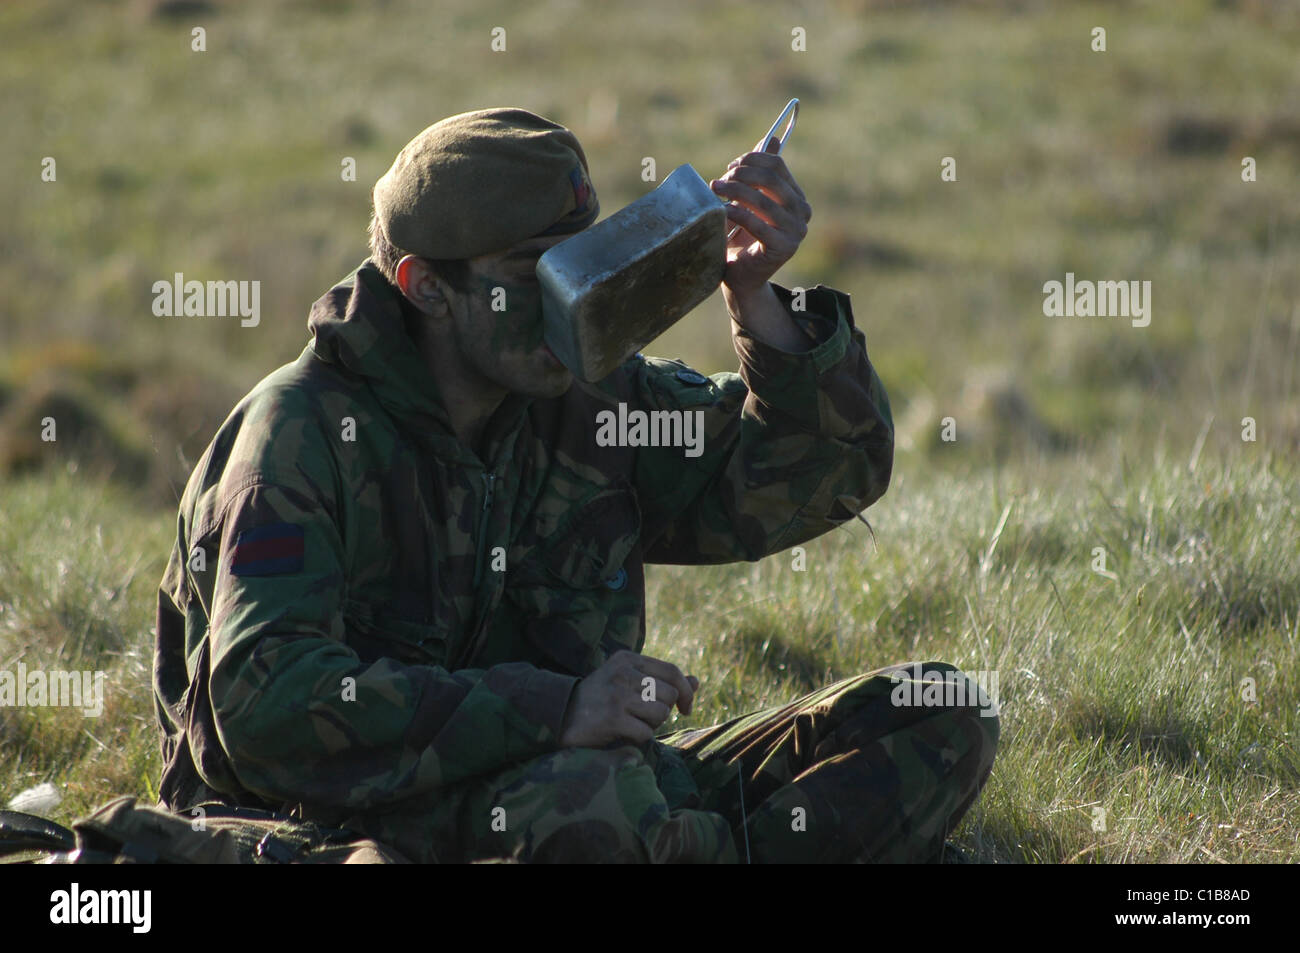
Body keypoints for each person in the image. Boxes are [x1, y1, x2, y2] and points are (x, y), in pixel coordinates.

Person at [152, 107, 997, 863]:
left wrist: (755, 302)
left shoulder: (591, 398)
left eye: (583, 263)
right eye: (532, 278)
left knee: (939, 711)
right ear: (427, 288)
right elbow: (267, 704)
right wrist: (553, 710)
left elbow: (823, 477)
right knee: (597, 807)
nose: (575, 305)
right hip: (347, 825)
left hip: (585, 788)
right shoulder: (299, 437)